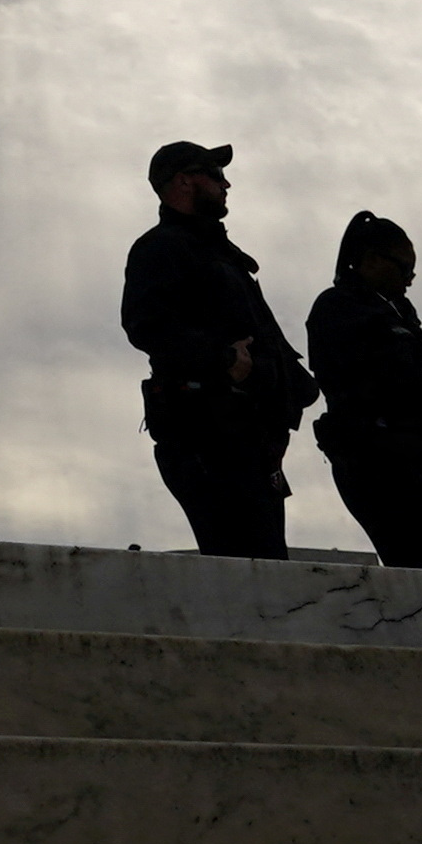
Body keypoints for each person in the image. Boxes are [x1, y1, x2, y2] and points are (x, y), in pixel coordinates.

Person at [118, 138, 310, 557]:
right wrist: (223, 361)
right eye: (216, 175)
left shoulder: (222, 255)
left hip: (251, 437)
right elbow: (145, 325)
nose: (227, 185)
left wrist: (292, 383)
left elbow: (262, 333)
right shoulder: (161, 247)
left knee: (267, 565)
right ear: (184, 182)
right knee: (244, 570)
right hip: (205, 434)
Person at [301, 210, 422, 572]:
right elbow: (374, 381)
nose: (410, 281)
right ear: (370, 260)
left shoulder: (398, 314)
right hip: (381, 466)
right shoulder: (337, 309)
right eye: (404, 269)